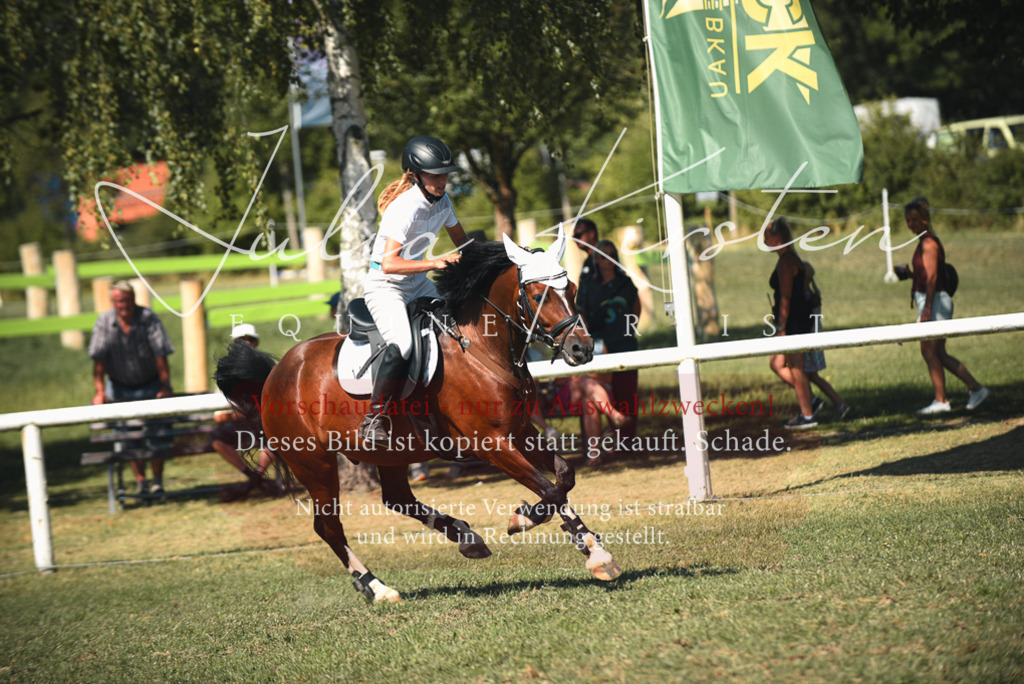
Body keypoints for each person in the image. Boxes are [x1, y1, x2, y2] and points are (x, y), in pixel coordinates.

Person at [359, 135, 469, 487]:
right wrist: (436, 261)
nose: (442, 181)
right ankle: (375, 418)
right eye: (435, 175)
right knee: (404, 345)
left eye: (445, 175)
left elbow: (464, 244)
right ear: (417, 174)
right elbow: (389, 264)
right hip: (386, 286)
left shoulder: (443, 201)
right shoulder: (404, 207)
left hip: (419, 283)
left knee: (456, 330)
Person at [895, 200, 989, 414]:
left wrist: (927, 307)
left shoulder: (928, 243)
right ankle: (975, 389)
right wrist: (909, 275)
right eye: (908, 220)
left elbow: (933, 277)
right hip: (932, 300)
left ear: (925, 219)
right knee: (938, 353)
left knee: (929, 351)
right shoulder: (925, 241)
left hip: (934, 301)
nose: (911, 224)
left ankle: (942, 400)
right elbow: (927, 274)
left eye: (915, 220)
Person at [89, 280, 175, 494]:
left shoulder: (148, 319)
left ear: (134, 299)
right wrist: (100, 392)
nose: (123, 305)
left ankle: (157, 482)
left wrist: (165, 386)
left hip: (150, 383)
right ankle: (141, 482)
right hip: (119, 386)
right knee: (129, 437)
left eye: (127, 300)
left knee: (158, 434)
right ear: (112, 302)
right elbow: (98, 362)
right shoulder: (104, 322)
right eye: (119, 301)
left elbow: (161, 356)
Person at [574, 239, 641, 461]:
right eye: (603, 256)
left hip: (625, 344)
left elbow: (636, 309)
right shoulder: (587, 286)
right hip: (599, 345)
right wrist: (588, 338)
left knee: (627, 394)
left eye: (611, 254)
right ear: (595, 260)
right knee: (597, 392)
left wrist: (627, 330)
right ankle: (601, 445)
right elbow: (580, 312)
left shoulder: (625, 282)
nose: (607, 260)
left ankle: (627, 445)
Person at [768, 259, 851, 420]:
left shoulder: (806, 298)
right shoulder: (810, 296)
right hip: (806, 336)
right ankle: (820, 401)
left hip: (806, 337)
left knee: (809, 374)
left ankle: (829, 403)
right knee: (800, 371)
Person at [210, 324, 279, 500]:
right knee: (217, 439)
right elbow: (219, 415)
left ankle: (254, 479)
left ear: (255, 342)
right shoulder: (227, 369)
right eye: (242, 340)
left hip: (262, 420)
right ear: (234, 343)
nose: (247, 343)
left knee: (277, 435)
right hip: (247, 420)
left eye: (250, 339)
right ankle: (255, 478)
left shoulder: (266, 365)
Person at [764, 218, 819, 429]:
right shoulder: (788, 258)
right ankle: (810, 401)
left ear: (778, 238)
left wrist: (781, 327)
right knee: (777, 364)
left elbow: (786, 297)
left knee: (796, 367)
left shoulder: (787, 261)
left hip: (794, 321)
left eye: (766, 237)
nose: (764, 241)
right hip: (794, 320)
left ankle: (807, 416)